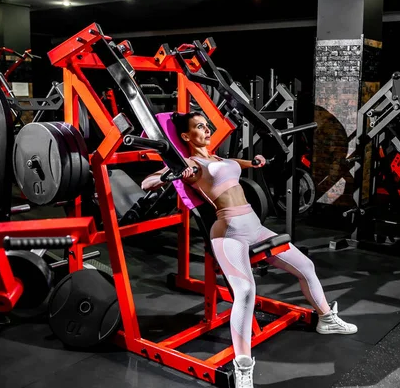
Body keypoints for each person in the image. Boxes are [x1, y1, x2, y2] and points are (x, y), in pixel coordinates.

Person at [142, 111, 357, 388]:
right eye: (199, 127)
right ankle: (243, 365)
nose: (206, 130)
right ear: (185, 136)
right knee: (245, 292)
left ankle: (326, 318)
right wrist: (170, 175)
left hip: (255, 228)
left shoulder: (218, 158)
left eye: (207, 125)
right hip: (228, 232)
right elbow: (147, 182)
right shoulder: (191, 164)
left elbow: (235, 164)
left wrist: (255, 163)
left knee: (306, 266)